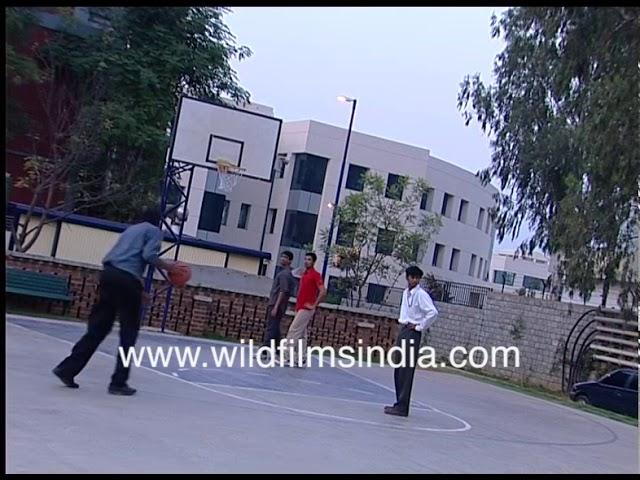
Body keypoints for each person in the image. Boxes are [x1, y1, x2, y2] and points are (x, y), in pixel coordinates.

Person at [52, 206, 177, 396]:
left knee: (98, 329)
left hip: (109, 275)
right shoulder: (154, 231)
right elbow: (148, 256)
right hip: (127, 280)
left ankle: (67, 369)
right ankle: (118, 382)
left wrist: (139, 290)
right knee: (128, 332)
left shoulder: (131, 230)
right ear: (158, 220)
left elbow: (127, 261)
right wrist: (170, 267)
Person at [384, 265, 438, 417]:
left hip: (413, 331)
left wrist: (420, 326)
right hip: (404, 328)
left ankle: (403, 405)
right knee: (399, 366)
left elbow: (432, 312)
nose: (414, 280)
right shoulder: (405, 293)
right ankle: (398, 402)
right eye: (412, 277)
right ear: (407, 277)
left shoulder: (421, 295)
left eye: (417, 278)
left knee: (406, 369)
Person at [281, 252, 326, 368]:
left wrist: (314, 304)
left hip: (306, 308)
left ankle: (286, 357)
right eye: (305, 259)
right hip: (299, 307)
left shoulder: (315, 275)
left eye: (309, 260)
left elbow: (322, 291)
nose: (306, 261)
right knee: (301, 335)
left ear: (313, 262)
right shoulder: (304, 274)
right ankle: (302, 359)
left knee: (293, 331)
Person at [259, 250, 295, 358]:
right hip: (278, 304)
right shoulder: (286, 273)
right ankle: (278, 351)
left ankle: (264, 351)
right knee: (275, 328)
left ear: (290, 260)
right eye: (282, 257)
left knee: (271, 327)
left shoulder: (284, 274)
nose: (282, 259)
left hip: (276, 304)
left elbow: (283, 291)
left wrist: (276, 306)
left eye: (285, 257)